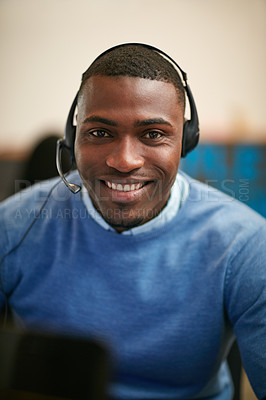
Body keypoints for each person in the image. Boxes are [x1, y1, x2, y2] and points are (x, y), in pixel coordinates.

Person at [0, 44, 265, 400]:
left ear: (185, 141)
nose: (124, 161)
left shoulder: (245, 245)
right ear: (72, 136)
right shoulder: (14, 227)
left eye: (153, 134)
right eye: (100, 133)